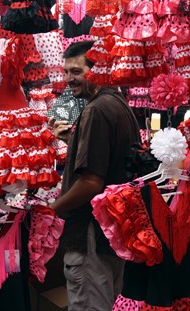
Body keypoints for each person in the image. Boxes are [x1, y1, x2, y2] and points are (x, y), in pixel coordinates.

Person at [50, 40, 140, 311]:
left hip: (91, 233)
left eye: (76, 72)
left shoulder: (96, 110)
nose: (69, 79)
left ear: (97, 70)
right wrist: (74, 138)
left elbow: (91, 182)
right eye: (66, 72)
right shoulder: (116, 102)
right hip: (112, 230)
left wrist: (50, 211)